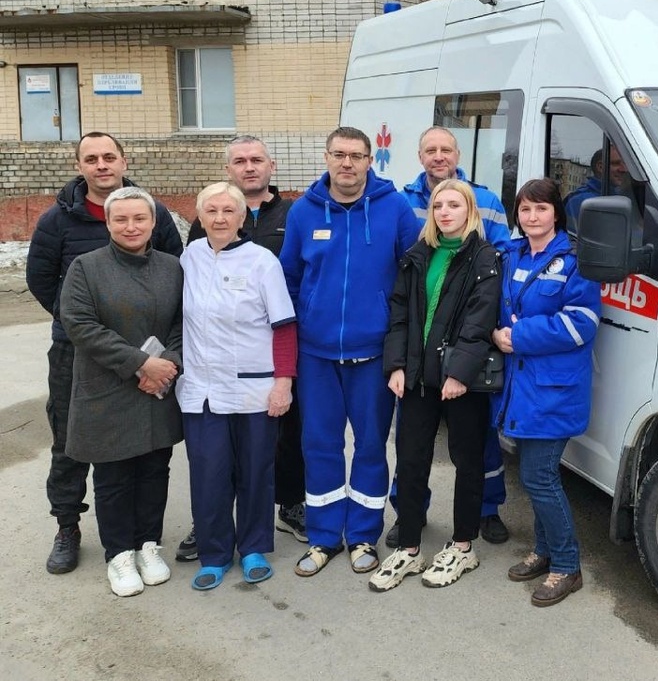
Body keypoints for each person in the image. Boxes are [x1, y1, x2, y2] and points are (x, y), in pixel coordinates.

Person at [26, 132, 183, 575]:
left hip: (155, 356)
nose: (101, 165)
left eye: (109, 157)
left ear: (123, 161)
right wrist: (89, 326)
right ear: (79, 165)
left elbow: (176, 283)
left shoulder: (153, 211)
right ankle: (68, 526)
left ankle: (145, 541)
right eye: (91, 158)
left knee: (150, 452)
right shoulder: (58, 220)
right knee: (71, 443)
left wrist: (158, 361)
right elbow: (42, 281)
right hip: (78, 351)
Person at [280, 126, 420, 577]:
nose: (347, 163)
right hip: (316, 355)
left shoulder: (395, 208)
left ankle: (362, 536)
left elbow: (412, 279)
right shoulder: (303, 211)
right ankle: (323, 538)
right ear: (326, 157)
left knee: (371, 446)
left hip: (373, 355)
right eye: (339, 154)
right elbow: (289, 280)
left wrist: (400, 345)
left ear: (369, 161)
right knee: (319, 445)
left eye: (356, 156)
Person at [368, 179, 502, 592]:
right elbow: (400, 314)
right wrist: (396, 365)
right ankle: (409, 547)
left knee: (467, 460)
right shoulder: (417, 255)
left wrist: (459, 374)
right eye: (438, 205)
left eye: (454, 205)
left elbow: (480, 321)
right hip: (416, 379)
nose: (445, 212)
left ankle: (463, 545)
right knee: (410, 460)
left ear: (470, 211)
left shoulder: (485, 258)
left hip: (461, 382)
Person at [180, 136, 304, 564]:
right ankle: (214, 554)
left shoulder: (262, 261)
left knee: (255, 472)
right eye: (211, 211)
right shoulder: (189, 258)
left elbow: (284, 327)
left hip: (255, 388)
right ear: (199, 217)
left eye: (228, 211)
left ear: (241, 218)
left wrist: (283, 384)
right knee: (208, 474)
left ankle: (253, 549)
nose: (219, 218)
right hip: (203, 390)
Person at [57, 186, 184, 597]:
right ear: (108, 223)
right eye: (121, 219)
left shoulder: (172, 267)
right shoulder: (86, 267)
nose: (131, 226)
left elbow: (185, 322)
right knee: (113, 476)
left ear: (153, 222)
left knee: (154, 471)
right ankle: (119, 554)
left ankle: (148, 544)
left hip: (158, 386)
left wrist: (167, 363)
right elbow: (80, 324)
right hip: (108, 386)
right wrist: (140, 364)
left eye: (139, 218)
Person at [391, 125, 511, 546]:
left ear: (458, 154)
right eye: (430, 149)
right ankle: (410, 517)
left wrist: (466, 360)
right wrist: (398, 362)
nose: (438, 156)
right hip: (420, 358)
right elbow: (404, 287)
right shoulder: (403, 203)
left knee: (475, 447)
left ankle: (484, 512)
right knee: (411, 449)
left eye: (446, 149)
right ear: (420, 156)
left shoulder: (488, 202)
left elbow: (499, 269)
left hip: (465, 355)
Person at [492, 178, 600, 607]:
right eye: (525, 209)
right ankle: (544, 550)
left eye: (541, 208)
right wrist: (499, 333)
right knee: (535, 476)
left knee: (539, 477)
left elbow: (581, 324)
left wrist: (518, 336)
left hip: (553, 390)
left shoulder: (574, 261)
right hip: (521, 388)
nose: (532, 216)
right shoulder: (511, 254)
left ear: (556, 213)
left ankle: (567, 565)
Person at [564, 144, 630, 231]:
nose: (624, 169)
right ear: (600, 167)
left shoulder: (619, 197)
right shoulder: (581, 201)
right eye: (616, 163)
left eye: (625, 164)